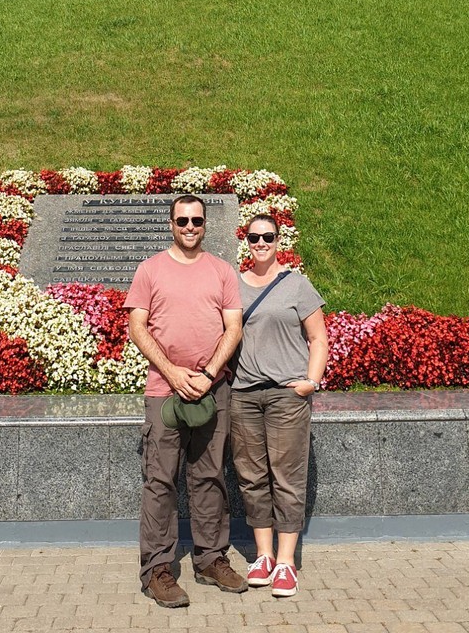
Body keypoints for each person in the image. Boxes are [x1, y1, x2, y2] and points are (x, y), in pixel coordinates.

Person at [124, 193, 248, 608]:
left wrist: (209, 373)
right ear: (171, 223)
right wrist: (174, 372)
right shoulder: (150, 270)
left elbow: (233, 327)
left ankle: (211, 559)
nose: (190, 227)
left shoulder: (222, 272)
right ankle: (158, 570)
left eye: (197, 220)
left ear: (205, 224)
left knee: (209, 477)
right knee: (160, 482)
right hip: (164, 392)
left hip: (213, 390)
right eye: (182, 220)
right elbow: (137, 326)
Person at [230, 213, 329, 598]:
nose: (260, 243)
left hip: (287, 396)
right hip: (244, 395)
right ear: (246, 240)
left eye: (267, 236)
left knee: (286, 476)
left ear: (278, 239)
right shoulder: (233, 286)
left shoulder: (297, 285)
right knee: (252, 477)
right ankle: (264, 555)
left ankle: (287, 562)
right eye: (254, 237)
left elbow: (318, 338)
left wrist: (310, 383)